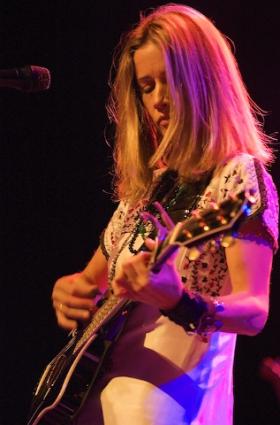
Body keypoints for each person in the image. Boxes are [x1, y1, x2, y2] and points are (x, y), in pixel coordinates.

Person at [52, 4, 278, 425]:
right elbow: (90, 283)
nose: (157, 99)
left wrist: (180, 300)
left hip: (170, 398)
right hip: (93, 394)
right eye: (146, 86)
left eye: (168, 80)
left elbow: (254, 310)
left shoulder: (238, 176)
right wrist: (69, 292)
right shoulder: (147, 188)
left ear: (203, 78)